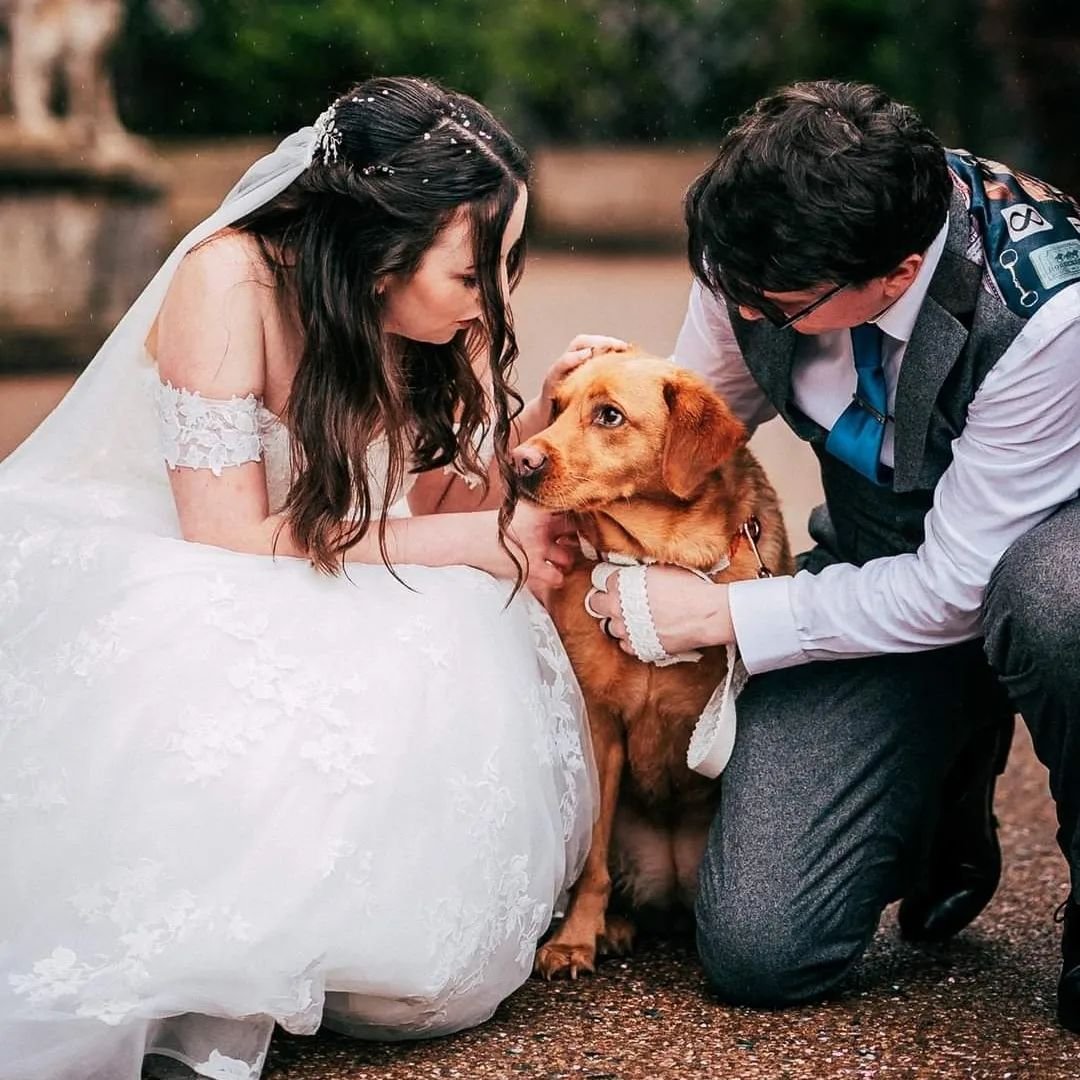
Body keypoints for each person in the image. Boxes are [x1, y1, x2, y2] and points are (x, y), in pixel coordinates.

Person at [0, 76, 612, 1080]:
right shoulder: (227, 282)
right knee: (419, 606)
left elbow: (422, 511)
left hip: (307, 552)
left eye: (503, 269)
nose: (492, 303)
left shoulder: (401, 317)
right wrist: (459, 547)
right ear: (380, 250)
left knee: (450, 614)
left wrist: (542, 434)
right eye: (473, 275)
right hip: (193, 561)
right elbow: (227, 538)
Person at [589, 80, 1080, 1030]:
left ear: (895, 276)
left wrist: (725, 614)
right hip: (871, 563)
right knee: (759, 949)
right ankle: (943, 777)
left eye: (771, 306)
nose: (737, 309)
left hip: (1042, 562)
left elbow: (955, 589)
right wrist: (603, 418)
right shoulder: (756, 252)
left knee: (1056, 603)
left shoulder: (1049, 315)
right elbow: (700, 430)